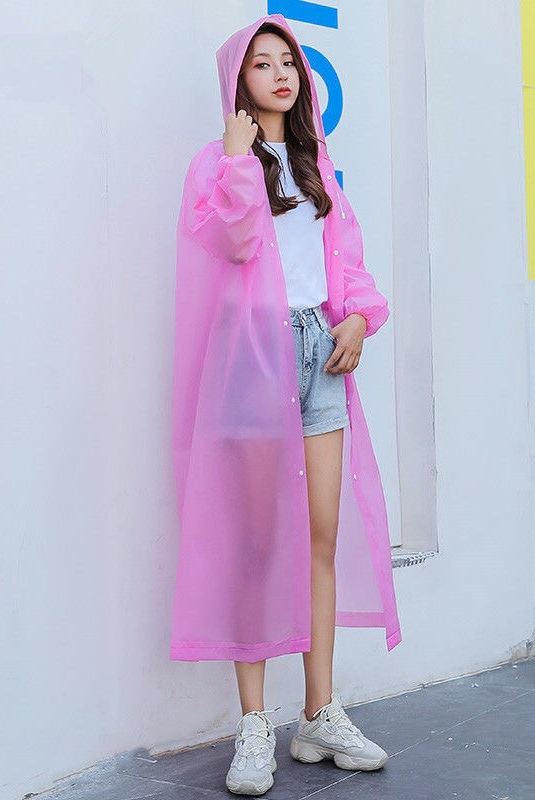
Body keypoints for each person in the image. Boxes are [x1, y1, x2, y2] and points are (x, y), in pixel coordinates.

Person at [171, 14, 402, 796]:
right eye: (261, 63)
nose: (279, 74)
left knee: (321, 537)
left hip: (317, 354)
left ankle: (319, 713)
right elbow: (233, 245)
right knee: (256, 543)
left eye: (288, 63)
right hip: (251, 354)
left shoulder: (317, 166)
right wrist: (239, 160)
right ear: (237, 81)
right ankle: (253, 723)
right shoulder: (216, 163)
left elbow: (348, 264)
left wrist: (358, 318)